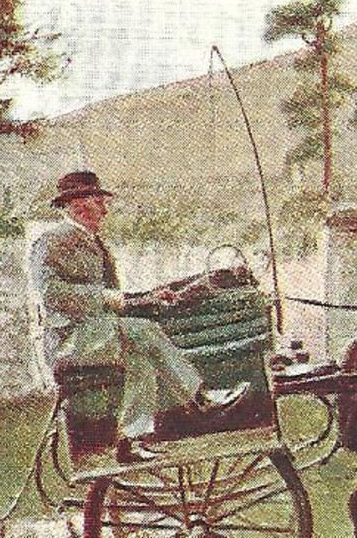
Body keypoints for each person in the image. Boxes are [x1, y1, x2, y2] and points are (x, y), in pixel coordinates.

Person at [32, 170, 247, 463]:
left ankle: (131, 440)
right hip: (69, 340)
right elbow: (51, 294)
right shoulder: (52, 241)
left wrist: (147, 298)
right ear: (79, 206)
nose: (106, 210)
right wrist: (106, 297)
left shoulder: (92, 242)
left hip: (95, 334)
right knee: (144, 332)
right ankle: (201, 397)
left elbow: (113, 300)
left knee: (140, 363)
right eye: (99, 202)